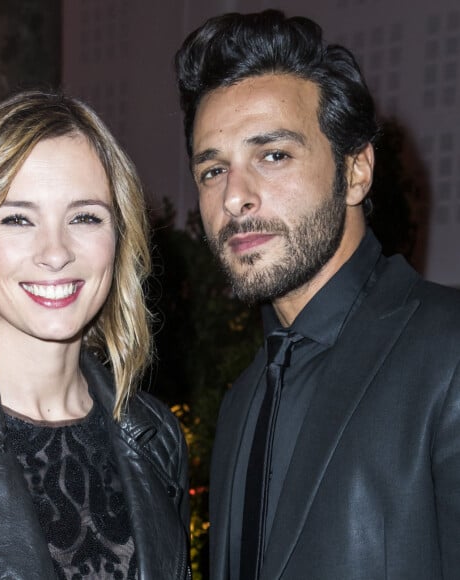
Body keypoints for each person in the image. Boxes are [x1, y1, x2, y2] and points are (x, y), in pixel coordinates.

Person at [175, 9, 460, 580]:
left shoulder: (448, 352)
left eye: (273, 155)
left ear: (355, 171)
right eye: (212, 171)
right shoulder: (241, 403)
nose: (235, 197)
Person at [0, 90, 190, 579]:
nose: (55, 251)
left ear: (119, 239)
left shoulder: (157, 436)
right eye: (18, 218)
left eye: (85, 217)